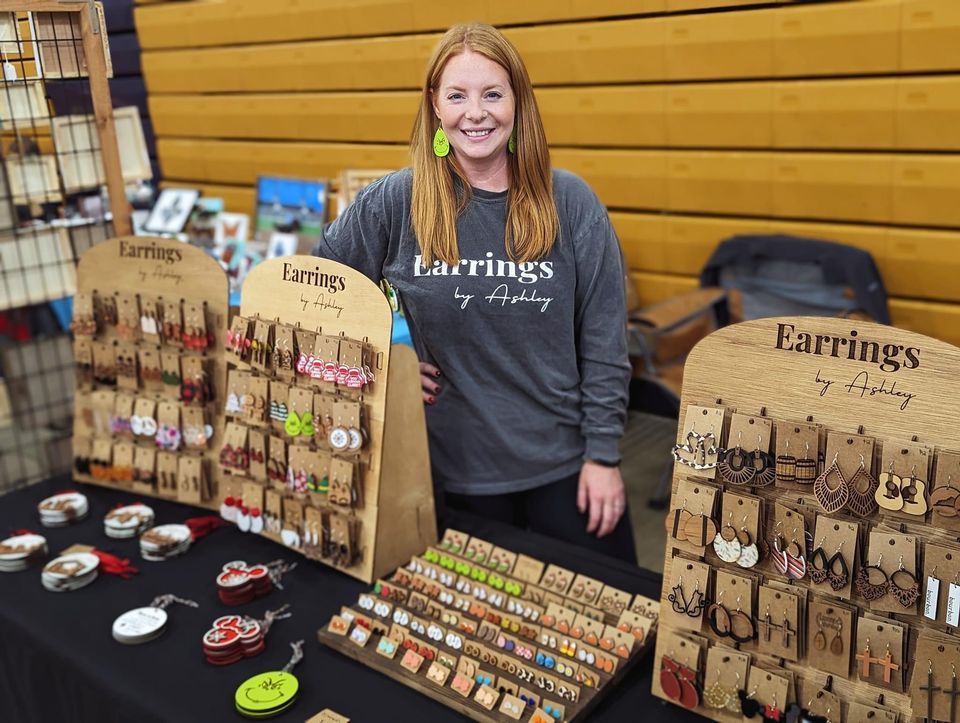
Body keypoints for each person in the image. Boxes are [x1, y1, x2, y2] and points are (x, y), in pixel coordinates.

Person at [314, 23, 637, 563]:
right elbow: (309, 293)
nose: (476, 112)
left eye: (492, 93)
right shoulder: (399, 200)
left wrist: (603, 456)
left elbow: (606, 341)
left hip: (569, 470)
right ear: (435, 107)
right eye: (457, 95)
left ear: (518, 103)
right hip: (452, 477)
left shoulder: (571, 201)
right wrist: (373, 366)